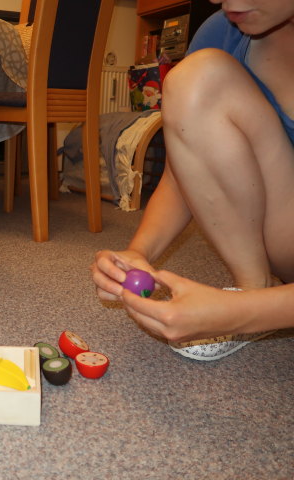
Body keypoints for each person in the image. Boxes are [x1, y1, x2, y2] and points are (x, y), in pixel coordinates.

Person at [91, 0, 294, 360]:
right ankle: (256, 286)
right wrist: (139, 253)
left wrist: (241, 313)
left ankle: (257, 303)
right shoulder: (223, 29)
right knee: (197, 76)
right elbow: (186, 171)